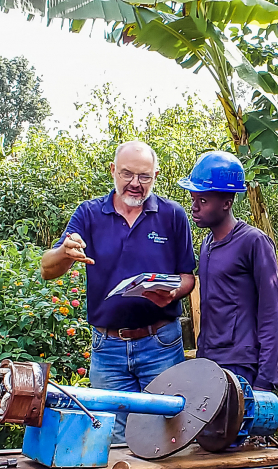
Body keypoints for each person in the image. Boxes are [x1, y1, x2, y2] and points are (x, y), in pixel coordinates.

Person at [40, 140, 196, 442]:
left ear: (156, 176)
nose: (135, 184)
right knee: (111, 437)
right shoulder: (88, 214)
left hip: (160, 344)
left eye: (144, 176)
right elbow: (47, 269)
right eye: (127, 174)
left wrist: (173, 293)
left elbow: (187, 278)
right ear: (113, 171)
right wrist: (65, 253)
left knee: (170, 433)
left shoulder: (172, 215)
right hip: (107, 348)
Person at [178, 151, 278, 391]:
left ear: (227, 203)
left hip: (241, 365)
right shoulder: (207, 245)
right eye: (193, 199)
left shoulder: (253, 242)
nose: (194, 207)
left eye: (203, 201)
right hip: (210, 361)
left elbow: (271, 314)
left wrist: (265, 379)